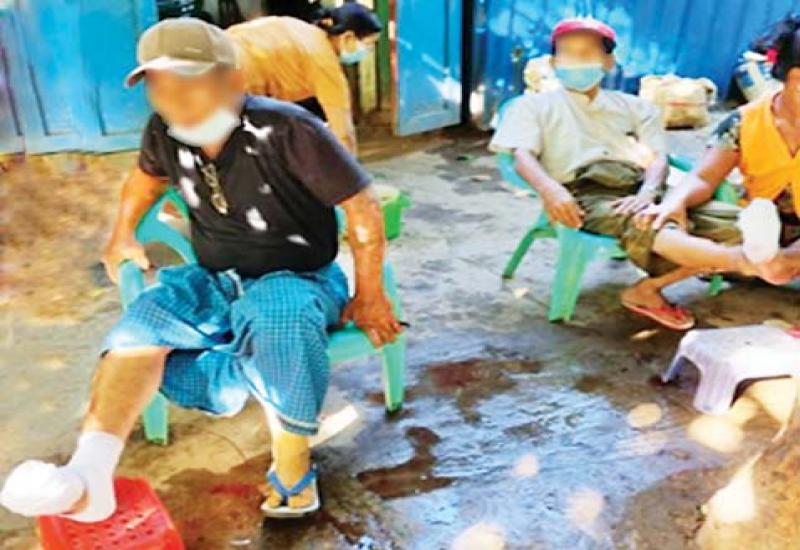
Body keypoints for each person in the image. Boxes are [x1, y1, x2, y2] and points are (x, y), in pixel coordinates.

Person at [0, 18, 401, 520]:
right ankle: (89, 480)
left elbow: (362, 206)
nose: (174, 102)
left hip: (298, 278)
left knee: (278, 317)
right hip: (214, 281)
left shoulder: (290, 129)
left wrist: (370, 295)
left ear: (233, 80)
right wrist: (121, 233)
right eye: (158, 87)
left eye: (188, 84)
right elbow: (145, 180)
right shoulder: (163, 132)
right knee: (137, 331)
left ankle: (293, 469)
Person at [490, 17, 759, 331]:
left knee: (746, 226)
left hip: (643, 187)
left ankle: (650, 288)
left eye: (587, 53)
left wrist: (648, 193)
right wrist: (551, 190)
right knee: (654, 226)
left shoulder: (636, 107)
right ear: (553, 62)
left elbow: (658, 158)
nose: (577, 61)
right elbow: (522, 156)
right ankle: (743, 262)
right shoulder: (531, 106)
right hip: (586, 193)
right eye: (567, 53)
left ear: (608, 61)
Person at [638, 14, 800, 285]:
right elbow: (704, 178)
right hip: (757, 227)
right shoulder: (744, 122)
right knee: (669, 221)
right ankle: (767, 263)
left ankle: (780, 264)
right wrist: (675, 203)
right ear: (785, 75)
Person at [226, 3, 383, 154]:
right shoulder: (324, 62)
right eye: (368, 45)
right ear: (348, 37)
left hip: (220, 52)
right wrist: (349, 169)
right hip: (240, 77)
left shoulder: (302, 29)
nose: (368, 51)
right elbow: (343, 132)